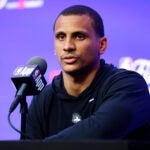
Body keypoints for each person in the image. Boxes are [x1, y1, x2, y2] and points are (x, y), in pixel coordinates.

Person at [25, 5, 150, 140]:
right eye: (61, 37)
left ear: (101, 45)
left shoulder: (129, 85)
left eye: (79, 36)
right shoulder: (44, 98)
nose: (67, 46)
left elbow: (99, 132)